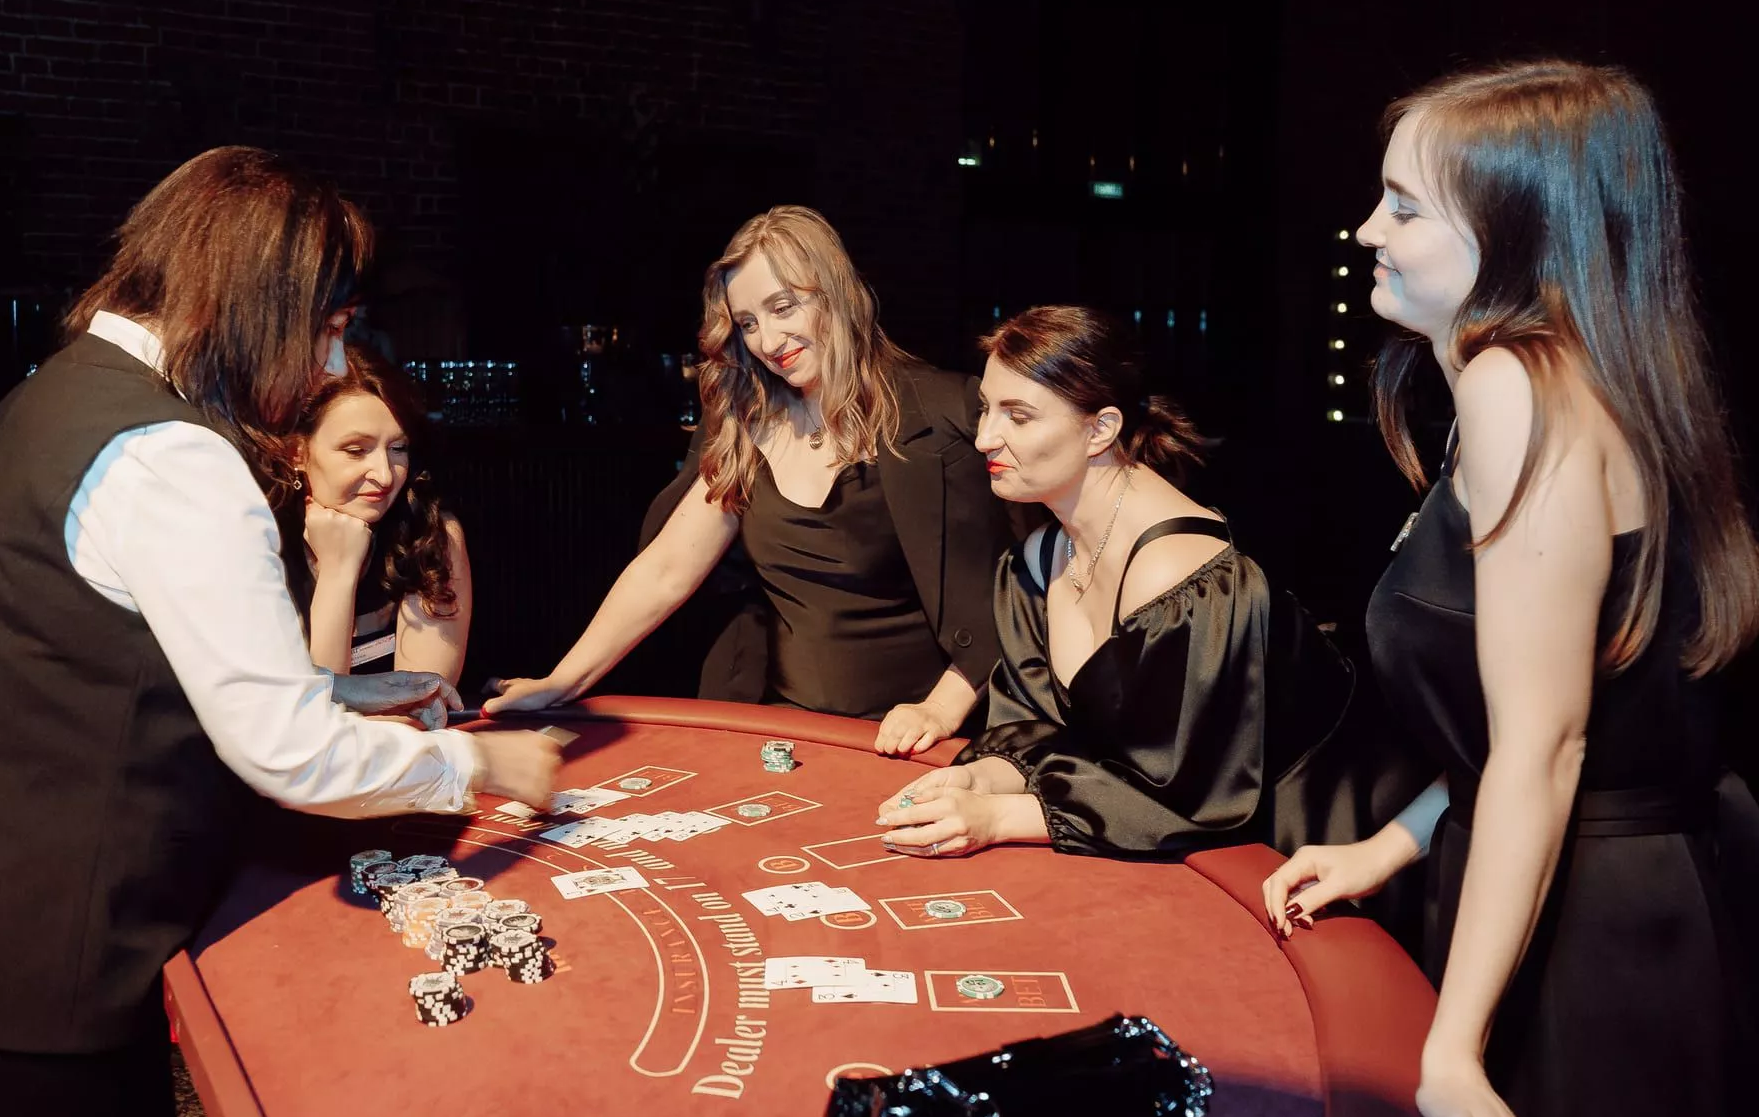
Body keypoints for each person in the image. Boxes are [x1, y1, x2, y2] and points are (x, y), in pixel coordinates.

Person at [0, 147, 559, 1117]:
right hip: (24, 1005)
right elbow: (288, 755)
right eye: (331, 328)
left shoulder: (51, 395)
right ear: (259, 300)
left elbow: (112, 664)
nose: (336, 363)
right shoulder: (176, 456)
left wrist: (354, 693)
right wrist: (475, 760)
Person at [1261, 61, 1759, 1117]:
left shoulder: (1515, 387)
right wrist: (1386, 847)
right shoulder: (1575, 378)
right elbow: (1539, 728)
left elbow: (1546, 746)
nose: (1365, 231)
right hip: (1602, 885)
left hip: (1588, 927)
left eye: (1401, 206)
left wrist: (1453, 1049)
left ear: (1515, 231)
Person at [876, 305, 1412, 860]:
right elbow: (1042, 730)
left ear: (1101, 428)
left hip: (1320, 835)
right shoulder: (1039, 558)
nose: (985, 436)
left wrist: (998, 817)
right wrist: (981, 781)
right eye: (987, 409)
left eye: (1019, 416)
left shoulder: (1179, 574)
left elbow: (1192, 793)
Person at [485, 206, 1011, 754]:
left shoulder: (943, 414)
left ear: (836, 295)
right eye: (748, 323)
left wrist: (940, 708)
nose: (768, 340)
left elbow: (1016, 586)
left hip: (921, 734)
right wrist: (561, 682)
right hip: (788, 729)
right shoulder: (745, 421)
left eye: (783, 308)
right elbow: (665, 571)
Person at [281, 344, 472, 680]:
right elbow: (312, 714)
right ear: (297, 453)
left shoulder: (425, 531)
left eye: (398, 449)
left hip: (395, 733)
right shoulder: (262, 537)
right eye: (356, 451)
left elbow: (421, 703)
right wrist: (339, 573)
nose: (384, 475)